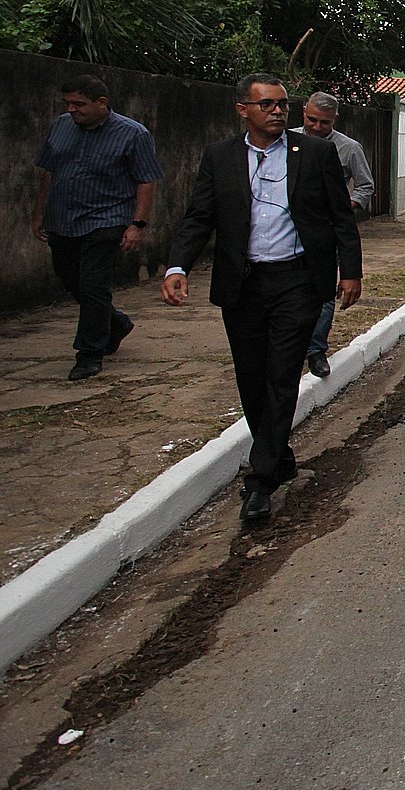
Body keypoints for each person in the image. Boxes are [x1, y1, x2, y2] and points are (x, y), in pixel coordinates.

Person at [160, 73, 362, 523]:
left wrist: (350, 271)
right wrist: (178, 266)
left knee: (282, 373)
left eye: (282, 104)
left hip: (297, 280)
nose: (277, 111)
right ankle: (279, 456)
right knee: (251, 377)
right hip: (243, 284)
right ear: (243, 110)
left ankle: (261, 479)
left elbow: (339, 218)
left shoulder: (314, 153)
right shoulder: (220, 157)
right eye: (267, 104)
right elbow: (200, 216)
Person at [33, 75, 164, 381]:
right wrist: (39, 211)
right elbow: (49, 171)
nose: (72, 110)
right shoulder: (61, 126)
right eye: (68, 104)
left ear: (101, 103)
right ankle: (115, 323)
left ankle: (89, 352)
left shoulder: (133, 134)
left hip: (106, 219)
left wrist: (137, 224)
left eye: (79, 104)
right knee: (71, 278)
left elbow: (146, 179)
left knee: (94, 285)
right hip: (63, 218)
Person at [295, 91, 375, 379]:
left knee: (325, 291)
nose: (316, 128)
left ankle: (315, 349)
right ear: (303, 112)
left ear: (334, 120)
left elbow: (365, 186)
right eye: (311, 120)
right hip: (290, 231)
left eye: (324, 123)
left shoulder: (348, 148)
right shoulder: (286, 141)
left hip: (328, 232)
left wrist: (343, 208)